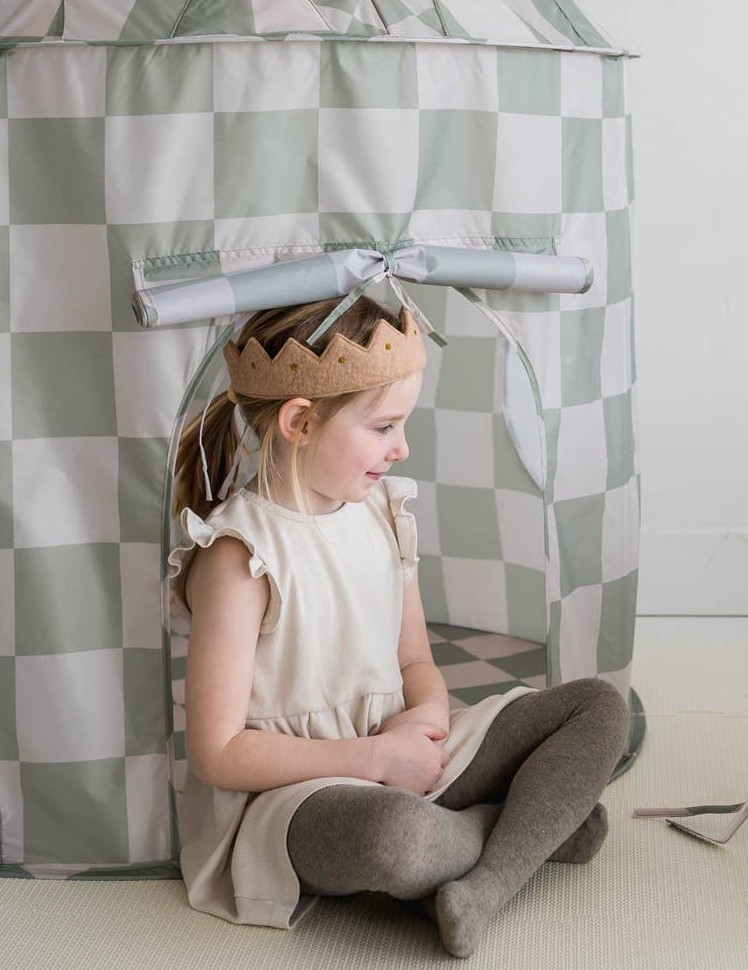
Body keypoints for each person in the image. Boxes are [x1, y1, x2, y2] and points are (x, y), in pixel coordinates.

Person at [167, 292, 630, 957]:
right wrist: (375, 761)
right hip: (297, 797)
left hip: (402, 754)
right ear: (300, 421)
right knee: (399, 839)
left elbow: (415, 661)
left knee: (598, 707)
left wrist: (427, 722)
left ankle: (486, 882)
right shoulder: (241, 557)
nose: (402, 448)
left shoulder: (384, 511)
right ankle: (525, 833)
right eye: (384, 427)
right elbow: (219, 752)